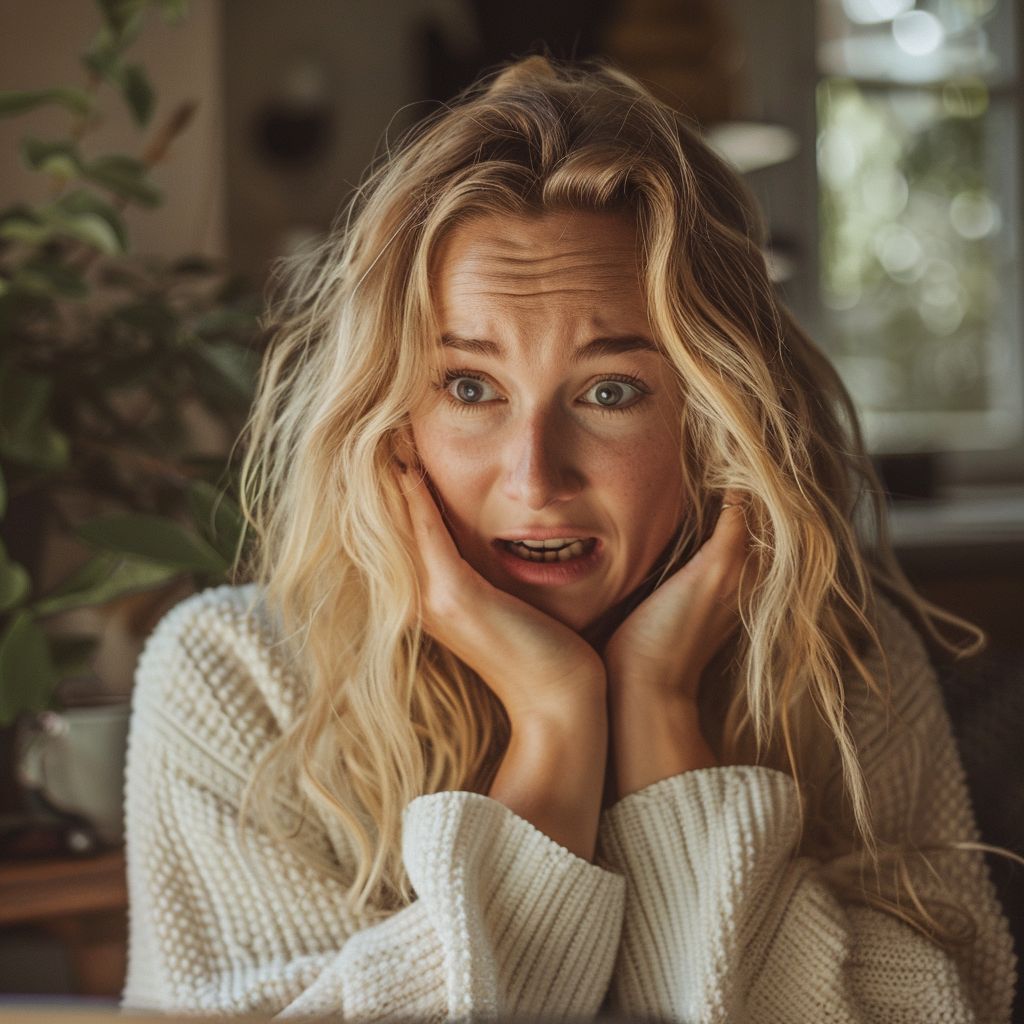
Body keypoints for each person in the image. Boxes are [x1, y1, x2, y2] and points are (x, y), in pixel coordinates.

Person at [121, 57, 1016, 1020]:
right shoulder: (237, 680)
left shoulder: (841, 663)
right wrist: (554, 725)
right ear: (389, 417)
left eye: (610, 392)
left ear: (718, 422)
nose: (534, 476)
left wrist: (664, 715)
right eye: (470, 387)